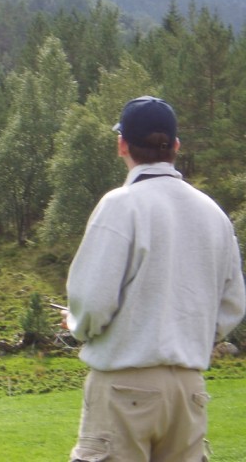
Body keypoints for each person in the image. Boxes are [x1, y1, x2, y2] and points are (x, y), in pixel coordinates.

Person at [62, 95, 246, 461]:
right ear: (176, 147)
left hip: (123, 386)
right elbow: (232, 305)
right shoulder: (214, 214)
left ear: (121, 144)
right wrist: (193, 334)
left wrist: (77, 324)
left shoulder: (120, 205)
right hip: (188, 389)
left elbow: (93, 302)